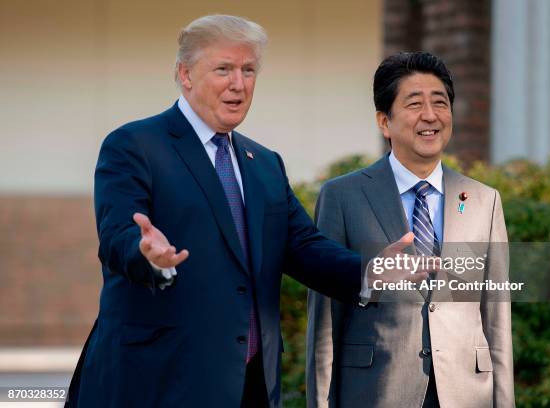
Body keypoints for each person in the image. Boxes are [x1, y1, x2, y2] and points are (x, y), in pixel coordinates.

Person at [64, 14, 389, 408]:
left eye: (248, 70)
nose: (239, 83)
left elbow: (302, 245)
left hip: (250, 383)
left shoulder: (264, 163)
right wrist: (149, 255)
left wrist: (371, 271)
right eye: (223, 69)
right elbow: (119, 237)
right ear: (185, 75)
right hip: (158, 380)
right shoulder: (134, 145)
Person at [306, 52, 515, 408]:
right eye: (415, 103)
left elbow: (496, 317)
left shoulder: (484, 200)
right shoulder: (342, 196)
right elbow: (325, 319)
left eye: (440, 103)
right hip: (377, 390)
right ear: (384, 122)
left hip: (466, 393)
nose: (430, 116)